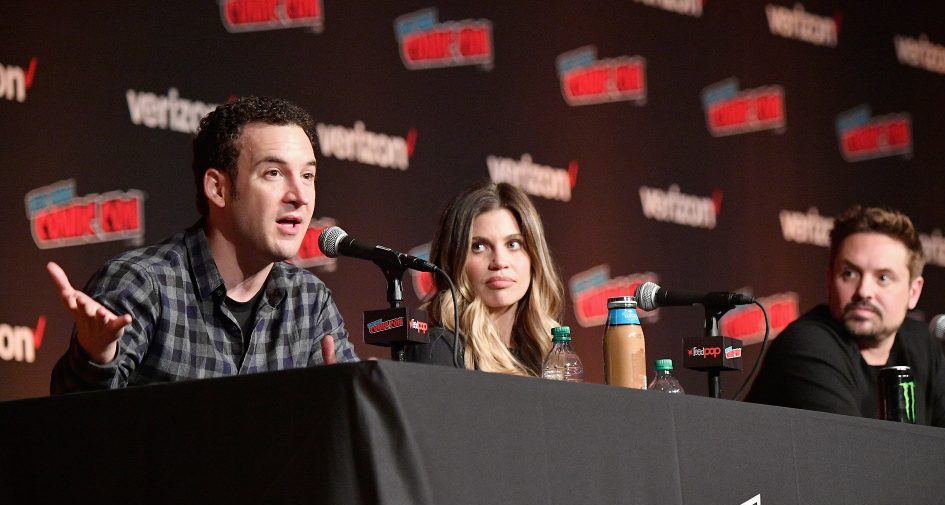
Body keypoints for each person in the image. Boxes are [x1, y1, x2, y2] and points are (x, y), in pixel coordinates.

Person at [48, 96, 357, 394]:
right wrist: (96, 357)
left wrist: (360, 395)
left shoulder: (310, 303)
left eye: (307, 175)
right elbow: (74, 427)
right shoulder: (142, 283)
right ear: (218, 188)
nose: (300, 196)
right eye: (273, 173)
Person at [747, 205, 945, 428]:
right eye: (849, 274)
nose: (864, 291)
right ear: (829, 279)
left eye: (883, 278)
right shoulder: (807, 345)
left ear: (913, 292)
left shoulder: (922, 346)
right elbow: (852, 456)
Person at [407, 181, 566, 375]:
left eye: (513, 244)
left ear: (534, 257)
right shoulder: (438, 349)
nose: (499, 262)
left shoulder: (549, 353)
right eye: (479, 246)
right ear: (454, 261)